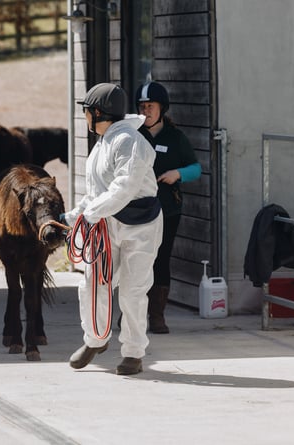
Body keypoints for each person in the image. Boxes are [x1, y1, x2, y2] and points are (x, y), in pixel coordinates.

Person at [62, 83, 163, 376]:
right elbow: (96, 192)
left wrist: (89, 216)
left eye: (85, 112)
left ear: (96, 112)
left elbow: (124, 189)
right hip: (107, 224)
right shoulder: (104, 142)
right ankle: (95, 339)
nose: (84, 118)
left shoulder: (131, 142)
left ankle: (133, 352)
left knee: (132, 292)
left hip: (139, 227)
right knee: (92, 284)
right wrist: (70, 217)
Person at [135, 81, 201, 334]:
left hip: (167, 210)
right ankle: (133, 312)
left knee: (161, 260)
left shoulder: (175, 137)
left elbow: (196, 168)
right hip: (136, 211)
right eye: (142, 107)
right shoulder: (132, 135)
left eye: (150, 106)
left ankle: (157, 315)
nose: (145, 111)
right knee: (136, 261)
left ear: (161, 108)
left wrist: (178, 173)